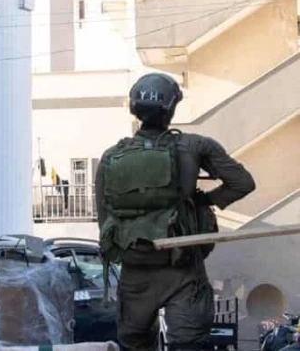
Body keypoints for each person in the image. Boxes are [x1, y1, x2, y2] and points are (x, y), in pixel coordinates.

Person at [96, 72, 255, 351]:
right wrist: (203, 201)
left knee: (134, 344)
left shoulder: (111, 156)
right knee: (190, 344)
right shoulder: (194, 146)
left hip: (135, 271)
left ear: (134, 108)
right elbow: (242, 183)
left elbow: (105, 219)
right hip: (183, 269)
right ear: (172, 107)